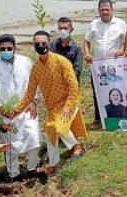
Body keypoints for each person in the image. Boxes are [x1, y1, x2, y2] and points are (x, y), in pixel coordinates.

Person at [12, 31, 87, 175]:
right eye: (37, 44)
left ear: (49, 43)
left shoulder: (61, 61)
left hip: (67, 102)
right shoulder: (35, 68)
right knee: (51, 134)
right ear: (34, 45)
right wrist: (16, 111)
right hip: (52, 107)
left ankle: (77, 148)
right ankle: (54, 163)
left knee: (57, 126)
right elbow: (30, 93)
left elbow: (74, 86)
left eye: (44, 43)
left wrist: (68, 106)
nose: (41, 46)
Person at [0, 34, 41, 181]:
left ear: (15, 47)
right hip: (7, 111)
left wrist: (33, 101)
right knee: (9, 144)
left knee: (34, 137)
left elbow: (34, 82)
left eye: (9, 48)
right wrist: (0, 108)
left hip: (27, 107)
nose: (6, 51)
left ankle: (32, 168)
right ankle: (13, 173)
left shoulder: (26, 62)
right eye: (2, 49)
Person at [83, 0, 127, 128]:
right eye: (102, 10)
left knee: (117, 90)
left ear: (112, 9)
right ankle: (98, 119)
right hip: (98, 67)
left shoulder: (121, 24)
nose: (105, 12)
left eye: (107, 9)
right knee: (97, 91)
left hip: (116, 66)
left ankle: (118, 116)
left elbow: (126, 41)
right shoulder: (94, 24)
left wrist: (123, 49)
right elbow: (86, 41)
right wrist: (86, 53)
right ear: (99, 11)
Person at [51, 17, 83, 81]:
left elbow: (77, 69)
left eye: (65, 28)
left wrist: (67, 79)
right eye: (60, 28)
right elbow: (50, 64)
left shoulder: (77, 48)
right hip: (56, 82)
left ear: (71, 30)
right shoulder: (53, 45)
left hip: (71, 83)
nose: (62, 31)